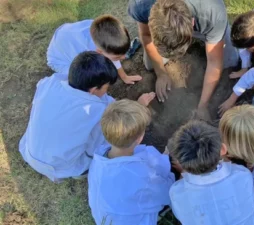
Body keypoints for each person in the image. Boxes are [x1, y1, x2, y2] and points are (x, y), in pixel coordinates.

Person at [19, 51, 155, 183]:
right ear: (94, 89)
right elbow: (97, 147)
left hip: (29, 151)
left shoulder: (50, 82)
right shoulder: (97, 112)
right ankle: (80, 173)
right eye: (106, 88)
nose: (107, 92)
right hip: (59, 166)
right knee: (112, 142)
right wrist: (137, 107)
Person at [128, 0, 239, 119]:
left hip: (208, 21)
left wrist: (203, 105)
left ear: (192, 23)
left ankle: (216, 33)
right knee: (150, 65)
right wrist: (160, 73)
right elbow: (146, 35)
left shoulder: (212, 11)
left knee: (231, 61)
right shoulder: (141, 5)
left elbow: (214, 62)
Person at [88, 99, 173, 225]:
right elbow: (168, 194)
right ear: (140, 138)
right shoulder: (142, 177)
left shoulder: (99, 158)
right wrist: (166, 159)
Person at [168, 120, 254, 225]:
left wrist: (182, 171)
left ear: (180, 161)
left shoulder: (176, 192)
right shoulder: (243, 174)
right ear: (223, 149)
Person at [47, 14, 142, 84]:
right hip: (59, 59)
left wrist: (124, 76)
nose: (124, 57)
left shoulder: (101, 31)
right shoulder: (88, 55)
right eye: (118, 56)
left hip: (65, 36)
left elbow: (112, 53)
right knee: (82, 80)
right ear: (99, 52)